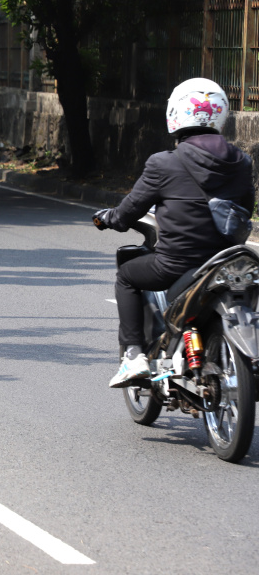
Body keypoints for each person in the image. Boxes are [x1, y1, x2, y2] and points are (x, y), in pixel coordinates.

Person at [94, 78, 254, 388]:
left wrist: (108, 218)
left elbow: (129, 211)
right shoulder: (242, 162)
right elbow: (245, 209)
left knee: (127, 276)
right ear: (221, 114)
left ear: (175, 114)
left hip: (175, 264)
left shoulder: (163, 163)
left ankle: (134, 356)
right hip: (225, 261)